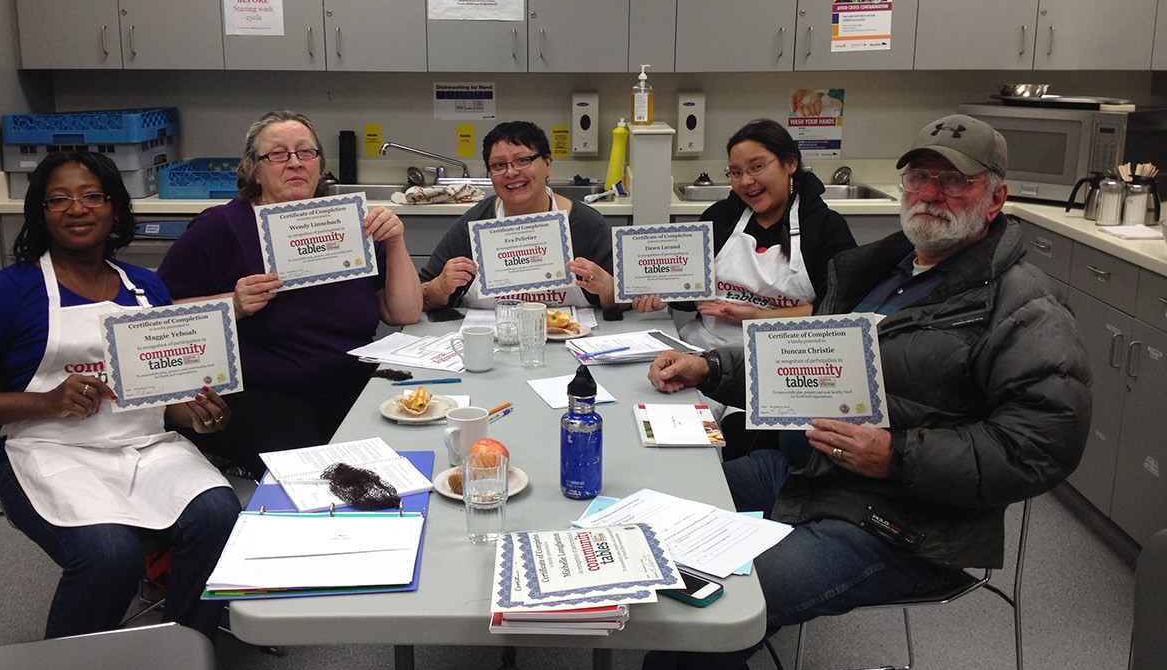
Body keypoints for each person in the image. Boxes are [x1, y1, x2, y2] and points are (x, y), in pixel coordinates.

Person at [552, 114, 1092, 670]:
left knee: (733, 594)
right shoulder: (886, 270)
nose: (931, 194)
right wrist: (713, 367)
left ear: (996, 197)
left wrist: (897, 455)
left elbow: (1043, 444)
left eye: (955, 182)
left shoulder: (1023, 305)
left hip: (903, 521)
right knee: (664, 513)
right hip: (808, 472)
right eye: (920, 177)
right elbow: (800, 359)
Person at [0, 153, 240, 641]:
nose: (77, 208)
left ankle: (182, 650)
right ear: (40, 213)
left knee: (219, 513)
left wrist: (196, 415)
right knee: (111, 555)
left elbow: (160, 400)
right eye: (59, 199)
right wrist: (47, 403)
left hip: (144, 449)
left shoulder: (146, 289)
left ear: (114, 209)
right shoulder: (14, 291)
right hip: (49, 451)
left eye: (93, 196)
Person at [156, 110, 423, 474]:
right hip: (264, 391)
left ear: (319, 163)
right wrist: (230, 305)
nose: (295, 163)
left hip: (348, 380)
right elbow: (158, 314)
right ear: (254, 168)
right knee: (315, 471)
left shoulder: (345, 222)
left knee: (408, 444)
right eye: (278, 154)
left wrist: (395, 241)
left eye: (305, 152)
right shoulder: (220, 228)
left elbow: (402, 313)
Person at [632, 119, 855, 457]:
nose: (746, 181)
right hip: (701, 352)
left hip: (776, 365)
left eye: (757, 167)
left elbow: (836, 312)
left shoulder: (825, 227)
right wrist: (657, 290)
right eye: (735, 172)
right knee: (672, 445)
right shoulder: (720, 217)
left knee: (738, 442)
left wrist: (758, 316)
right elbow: (691, 295)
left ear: (790, 163)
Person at [419, 120, 617, 311]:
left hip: (570, 338)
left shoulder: (586, 225)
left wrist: (609, 289)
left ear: (547, 163)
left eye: (523, 161)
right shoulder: (475, 223)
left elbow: (628, 300)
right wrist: (439, 288)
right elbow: (419, 295)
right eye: (498, 165)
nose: (511, 173)